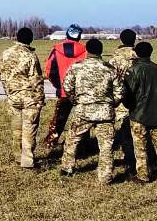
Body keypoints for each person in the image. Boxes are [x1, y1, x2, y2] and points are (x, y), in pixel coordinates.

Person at [59, 38, 122, 184]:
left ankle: (67, 168)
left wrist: (75, 100)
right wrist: (111, 103)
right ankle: (105, 176)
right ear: (101, 51)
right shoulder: (110, 69)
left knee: (72, 139)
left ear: (87, 51)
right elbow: (119, 91)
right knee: (106, 145)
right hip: (105, 112)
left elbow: (67, 86)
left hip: (83, 111)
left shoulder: (77, 67)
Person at [123, 41, 157, 183]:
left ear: (136, 53)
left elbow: (128, 93)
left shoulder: (134, 70)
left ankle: (143, 175)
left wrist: (129, 106)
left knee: (140, 147)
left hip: (139, 115)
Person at [0, 27, 45, 169]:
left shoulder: (6, 53)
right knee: (29, 130)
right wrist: (40, 99)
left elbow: (4, 77)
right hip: (29, 97)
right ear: (30, 39)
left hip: (13, 96)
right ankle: (27, 161)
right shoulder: (30, 56)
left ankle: (17, 156)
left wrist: (9, 93)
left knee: (16, 129)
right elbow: (36, 80)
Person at [43, 24, 87, 148]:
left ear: (67, 34)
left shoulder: (56, 51)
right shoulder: (85, 51)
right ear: (79, 37)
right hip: (81, 93)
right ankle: (82, 145)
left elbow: (50, 71)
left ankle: (50, 143)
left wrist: (58, 86)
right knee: (83, 120)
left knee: (58, 121)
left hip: (63, 92)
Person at [108, 29, 138, 162]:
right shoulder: (140, 56)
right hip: (138, 98)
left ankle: (127, 154)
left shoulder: (115, 59)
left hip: (120, 98)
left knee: (123, 127)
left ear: (121, 40)